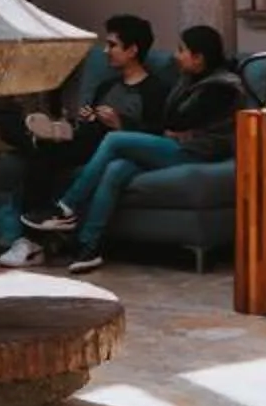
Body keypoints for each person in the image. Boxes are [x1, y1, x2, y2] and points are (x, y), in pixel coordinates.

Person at [25, 24, 246, 271]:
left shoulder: (221, 86)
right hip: (177, 145)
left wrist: (174, 127)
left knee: (115, 140)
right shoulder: (189, 79)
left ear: (199, 57)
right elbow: (170, 120)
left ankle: (67, 207)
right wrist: (173, 127)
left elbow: (178, 121)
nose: (176, 56)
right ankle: (89, 246)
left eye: (181, 50)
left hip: (198, 153)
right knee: (117, 169)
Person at [0, 15, 174, 267]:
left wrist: (120, 124)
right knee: (9, 127)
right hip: (84, 136)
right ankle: (44, 135)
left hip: (106, 146)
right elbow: (89, 119)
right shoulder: (107, 85)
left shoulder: (155, 90)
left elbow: (156, 135)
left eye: (112, 45)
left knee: (40, 153)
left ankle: (32, 241)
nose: (106, 51)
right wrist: (85, 119)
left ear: (132, 50)